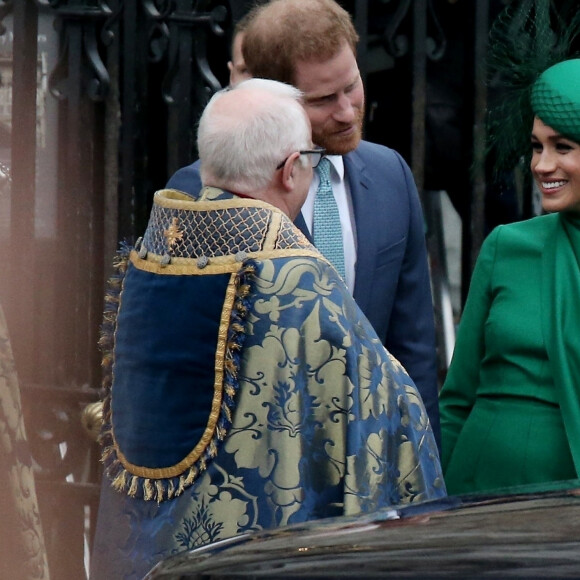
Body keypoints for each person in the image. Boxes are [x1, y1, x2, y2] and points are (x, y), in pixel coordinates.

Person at [89, 77, 445, 579]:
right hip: (251, 553)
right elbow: (384, 410)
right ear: (289, 169)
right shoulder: (297, 279)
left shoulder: (148, 260)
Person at [166, 0, 441, 448]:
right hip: (261, 468)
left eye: (352, 87)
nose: (348, 112)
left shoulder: (390, 174)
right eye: (323, 100)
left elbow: (414, 352)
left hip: (372, 461)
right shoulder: (202, 192)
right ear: (275, 97)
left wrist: (425, 476)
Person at [439, 58, 580, 495]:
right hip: (482, 491)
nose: (541, 164)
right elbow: (457, 398)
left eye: (562, 147)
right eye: (537, 147)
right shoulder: (506, 245)